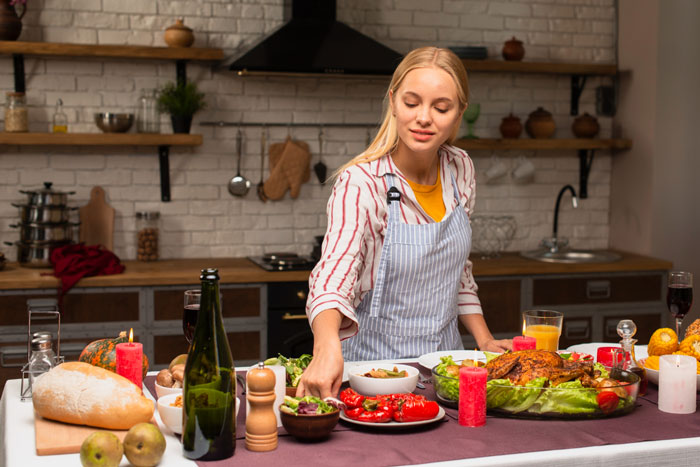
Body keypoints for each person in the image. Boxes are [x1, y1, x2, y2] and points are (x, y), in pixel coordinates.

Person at [298, 47, 512, 399]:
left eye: (441, 108)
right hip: (372, 374)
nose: (424, 118)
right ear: (393, 102)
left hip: (446, 371)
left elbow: (457, 271)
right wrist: (325, 348)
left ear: (459, 113)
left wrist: (485, 339)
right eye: (412, 103)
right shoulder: (362, 182)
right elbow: (333, 276)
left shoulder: (460, 169)